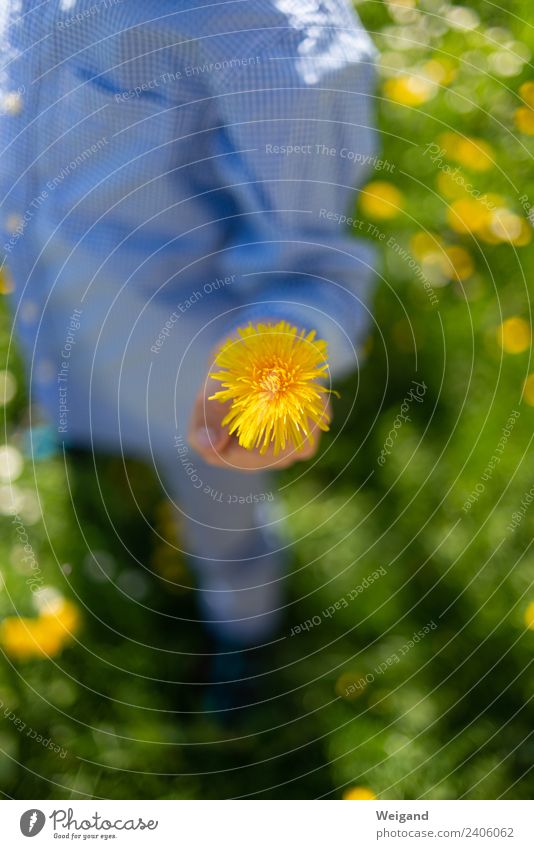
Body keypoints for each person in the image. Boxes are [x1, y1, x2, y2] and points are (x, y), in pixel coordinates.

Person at [0, 1, 377, 671]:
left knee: (220, 503)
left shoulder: (273, 39)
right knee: (65, 374)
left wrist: (267, 379)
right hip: (55, 291)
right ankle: (72, 419)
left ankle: (245, 625)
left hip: (184, 369)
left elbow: (312, 268)